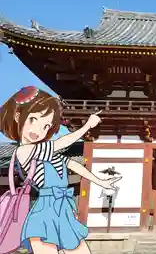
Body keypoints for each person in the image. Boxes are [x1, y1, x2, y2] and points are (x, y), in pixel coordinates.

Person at [0, 86, 121, 254]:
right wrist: (87, 126)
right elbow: (59, 144)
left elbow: (73, 164)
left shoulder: (48, 154)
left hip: (64, 212)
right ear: (18, 116)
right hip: (44, 212)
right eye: (34, 120)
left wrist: (101, 181)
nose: (39, 131)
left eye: (46, 126)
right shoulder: (24, 151)